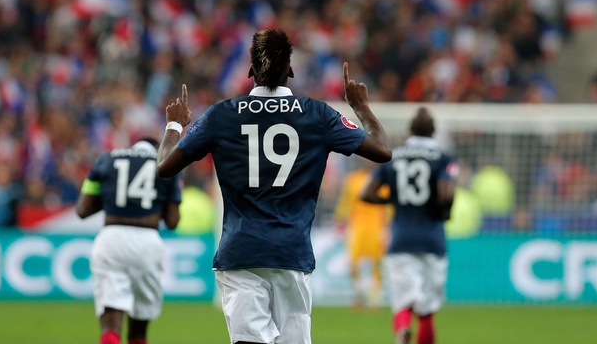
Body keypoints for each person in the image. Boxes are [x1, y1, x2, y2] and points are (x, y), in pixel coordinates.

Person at [156, 28, 392, 344]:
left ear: (251, 71)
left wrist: (174, 124)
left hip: (240, 254)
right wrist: (360, 106)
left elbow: (164, 166)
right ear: (291, 71)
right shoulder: (317, 114)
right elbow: (382, 151)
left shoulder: (222, 115)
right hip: (291, 254)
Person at [360, 107, 458, 344]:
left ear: (410, 131)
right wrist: (445, 213)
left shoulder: (394, 156)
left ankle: (403, 330)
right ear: (433, 131)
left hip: (401, 239)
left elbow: (366, 193)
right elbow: (446, 194)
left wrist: (391, 199)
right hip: (433, 239)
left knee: (403, 301)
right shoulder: (444, 158)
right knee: (427, 310)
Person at [76, 137, 182, 344]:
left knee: (110, 320)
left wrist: (111, 197)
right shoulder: (167, 163)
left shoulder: (105, 160)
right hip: (147, 241)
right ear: (155, 149)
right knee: (139, 328)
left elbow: (83, 210)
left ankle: (110, 336)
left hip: (111, 239)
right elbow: (172, 221)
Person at [333, 158, 392, 309]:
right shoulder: (352, 179)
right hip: (357, 224)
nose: (369, 162)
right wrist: (339, 218)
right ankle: (358, 293)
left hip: (376, 225)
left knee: (376, 261)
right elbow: (345, 202)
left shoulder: (383, 180)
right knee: (353, 261)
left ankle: (375, 297)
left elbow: (389, 205)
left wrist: (389, 224)